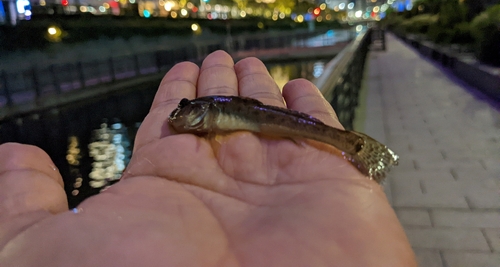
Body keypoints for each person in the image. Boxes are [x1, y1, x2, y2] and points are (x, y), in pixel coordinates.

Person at [0, 51, 417, 266]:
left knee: (308, 129)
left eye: (186, 110)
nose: (181, 117)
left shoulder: (207, 113)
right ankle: (354, 146)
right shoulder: (206, 113)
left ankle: (354, 146)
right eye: (183, 111)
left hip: (276, 123)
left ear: (203, 111)